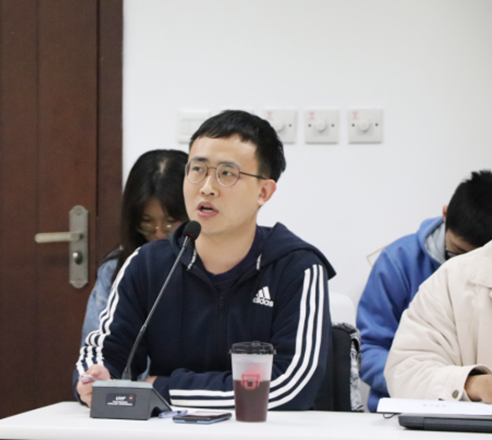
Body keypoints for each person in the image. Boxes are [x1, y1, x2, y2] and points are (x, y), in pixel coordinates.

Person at [75, 110, 335, 410]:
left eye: (227, 173)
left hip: (264, 430)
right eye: (197, 169)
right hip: (168, 430)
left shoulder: (297, 267)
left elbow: (290, 388)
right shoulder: (147, 264)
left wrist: (163, 389)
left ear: (263, 191)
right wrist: (96, 378)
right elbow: (104, 353)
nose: (206, 187)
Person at [357, 170, 492, 412]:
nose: (464, 265)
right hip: (403, 409)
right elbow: (366, 348)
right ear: (445, 215)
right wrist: (422, 382)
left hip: (487, 410)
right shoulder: (398, 261)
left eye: (477, 257)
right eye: (456, 252)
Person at [81, 149, 189, 344]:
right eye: (147, 222)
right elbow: (97, 345)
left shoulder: (218, 269)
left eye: (170, 222)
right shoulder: (115, 270)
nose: (159, 234)